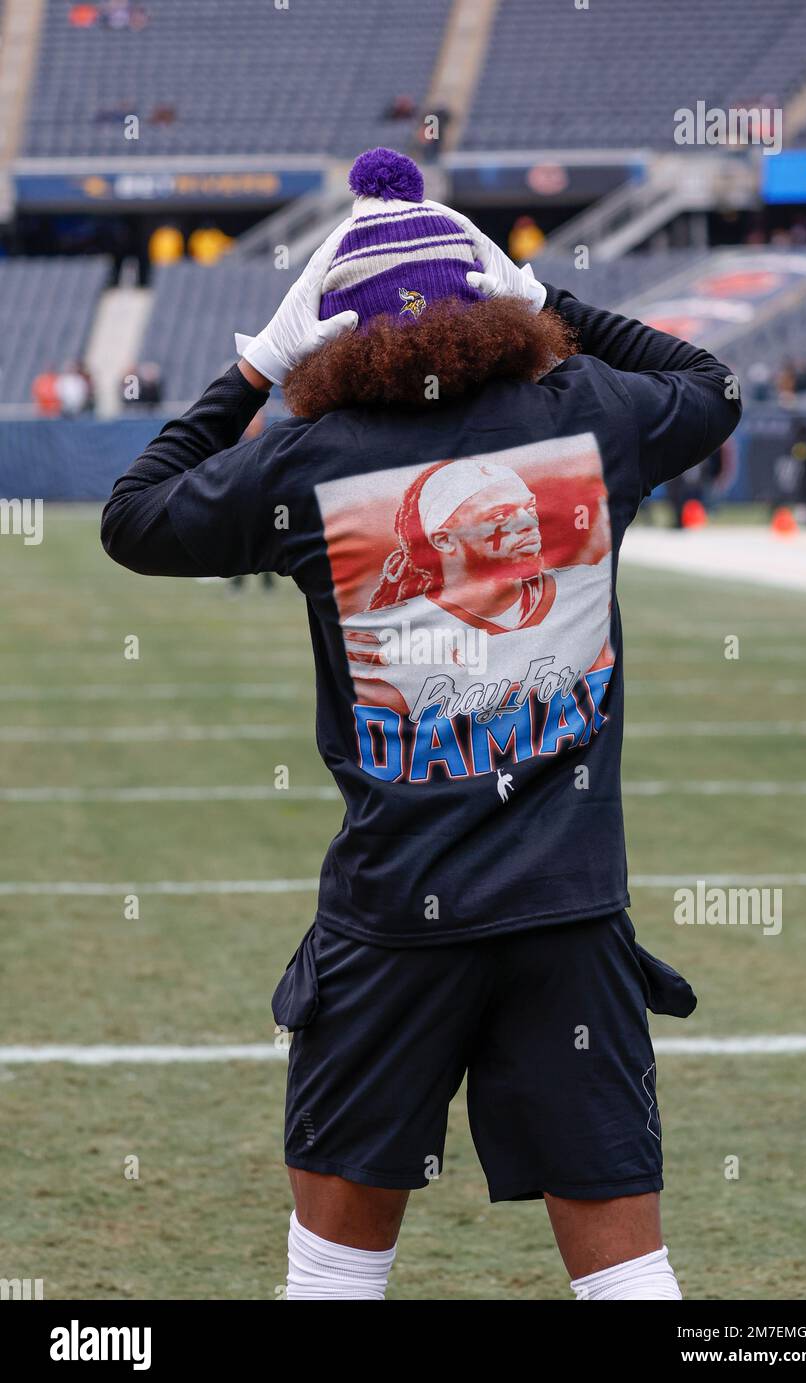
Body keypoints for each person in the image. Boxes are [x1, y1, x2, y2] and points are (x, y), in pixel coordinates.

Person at [101, 148, 741, 1301]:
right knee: (630, 1277)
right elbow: (710, 382)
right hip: (568, 914)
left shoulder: (306, 457)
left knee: (336, 1277)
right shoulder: (591, 415)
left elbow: (134, 515)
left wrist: (253, 363)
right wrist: (548, 298)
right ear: (487, 306)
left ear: (331, 336)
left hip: (395, 919)